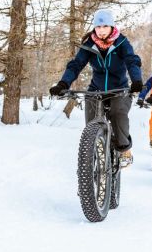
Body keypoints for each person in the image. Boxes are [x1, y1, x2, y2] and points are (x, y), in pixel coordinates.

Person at [49, 9, 143, 167]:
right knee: (91, 123)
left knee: (118, 112)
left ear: (111, 27)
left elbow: (132, 61)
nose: (101, 30)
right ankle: (93, 154)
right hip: (96, 89)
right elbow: (76, 65)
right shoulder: (89, 45)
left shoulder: (121, 43)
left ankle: (123, 149)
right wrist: (63, 84)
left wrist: (136, 80)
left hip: (119, 89)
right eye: (98, 27)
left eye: (105, 26)